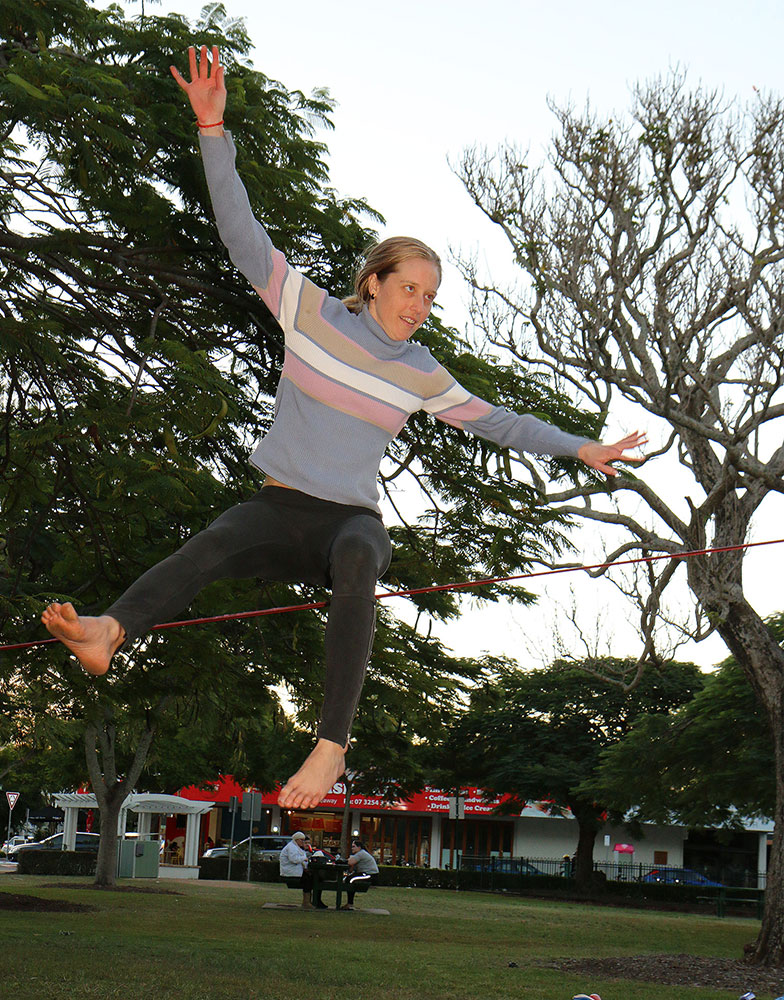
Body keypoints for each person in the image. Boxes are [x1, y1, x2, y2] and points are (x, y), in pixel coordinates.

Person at [41, 45, 646, 814]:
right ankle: (109, 633)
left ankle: (332, 743)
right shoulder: (309, 312)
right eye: (409, 289)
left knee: (363, 552)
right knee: (214, 540)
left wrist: (580, 446)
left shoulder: (422, 371)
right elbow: (241, 234)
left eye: (431, 295)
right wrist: (212, 127)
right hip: (278, 505)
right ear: (374, 283)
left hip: (345, 524)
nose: (420, 305)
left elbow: (499, 422)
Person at [279, 830, 325, 909]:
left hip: (295, 871)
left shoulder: (296, 847)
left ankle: (314, 901)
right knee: (309, 880)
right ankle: (307, 902)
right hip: (291, 873)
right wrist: (304, 858)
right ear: (296, 839)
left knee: (315, 878)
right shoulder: (291, 847)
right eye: (302, 840)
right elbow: (294, 859)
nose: (303, 842)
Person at [342, 838, 379, 910]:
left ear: (359, 847)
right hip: (366, 874)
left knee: (350, 880)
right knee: (349, 878)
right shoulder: (360, 854)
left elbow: (350, 862)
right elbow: (351, 868)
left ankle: (350, 904)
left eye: (353, 846)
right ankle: (349, 903)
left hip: (369, 875)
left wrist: (343, 861)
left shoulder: (361, 853)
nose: (352, 848)